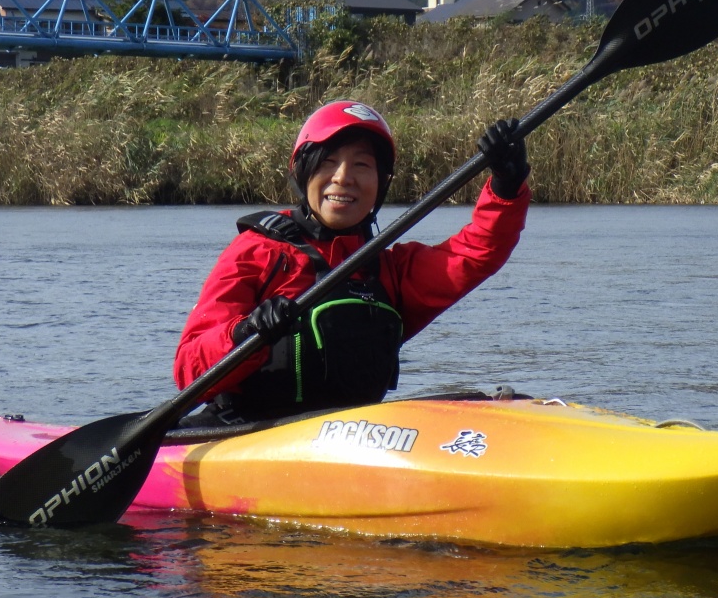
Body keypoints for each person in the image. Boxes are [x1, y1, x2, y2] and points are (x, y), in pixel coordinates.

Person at [173, 99, 531, 421]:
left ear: (380, 183)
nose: (343, 177)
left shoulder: (389, 271)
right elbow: (188, 370)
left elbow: (474, 254)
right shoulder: (257, 252)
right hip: (247, 436)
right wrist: (246, 332)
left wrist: (506, 186)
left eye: (361, 165)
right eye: (328, 162)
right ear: (303, 172)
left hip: (351, 439)